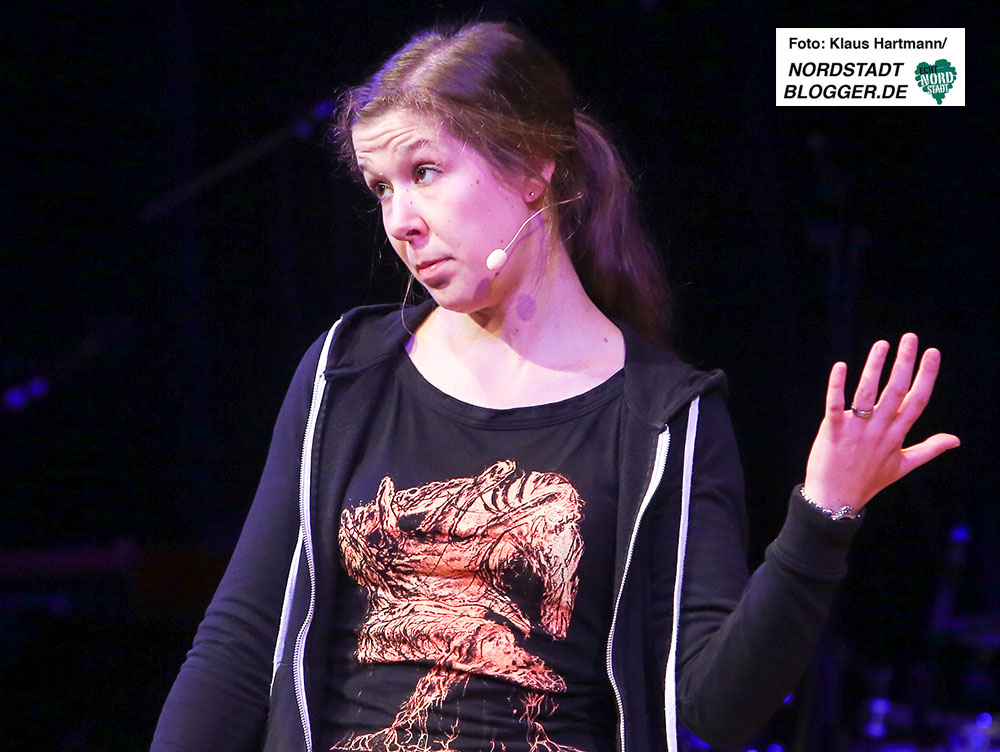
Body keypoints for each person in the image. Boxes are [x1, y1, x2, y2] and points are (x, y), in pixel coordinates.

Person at [151, 21, 959, 752]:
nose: (400, 220)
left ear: (532, 165)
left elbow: (715, 711)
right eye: (382, 187)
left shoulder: (661, 419)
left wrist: (824, 513)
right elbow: (239, 641)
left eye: (426, 171)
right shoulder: (346, 372)